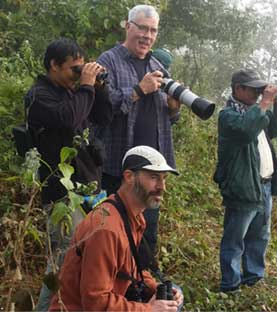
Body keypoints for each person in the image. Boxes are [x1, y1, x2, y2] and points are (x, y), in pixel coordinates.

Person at [25, 38, 112, 311]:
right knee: (63, 261)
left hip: (88, 189)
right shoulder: (40, 95)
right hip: (62, 196)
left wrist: (98, 87)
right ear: (53, 65)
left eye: (81, 68)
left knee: (88, 257)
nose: (78, 74)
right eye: (74, 69)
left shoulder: (72, 92)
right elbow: (69, 120)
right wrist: (85, 85)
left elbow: (103, 117)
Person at [96, 4, 181, 263]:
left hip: (153, 168)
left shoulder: (158, 67)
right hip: (117, 166)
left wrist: (174, 108)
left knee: (147, 229)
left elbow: (168, 118)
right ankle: (112, 281)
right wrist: (138, 90)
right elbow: (101, 108)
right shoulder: (107, 61)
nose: (147, 35)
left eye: (153, 30)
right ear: (128, 26)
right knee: (112, 228)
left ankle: (144, 280)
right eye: (142, 28)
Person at [51, 145, 184, 311]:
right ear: (129, 176)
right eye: (153, 177)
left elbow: (128, 269)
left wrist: (154, 287)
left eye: (164, 178)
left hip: (113, 298)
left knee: (175, 293)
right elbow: (95, 303)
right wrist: (149, 309)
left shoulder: (131, 215)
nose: (161, 187)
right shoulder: (106, 229)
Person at [213, 69, 277, 292]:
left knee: (260, 236)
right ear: (238, 89)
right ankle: (231, 286)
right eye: (254, 89)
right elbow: (246, 130)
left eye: (261, 89)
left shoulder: (257, 113)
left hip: (265, 186)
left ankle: (253, 280)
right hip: (243, 186)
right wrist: (265, 101)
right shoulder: (229, 116)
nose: (259, 93)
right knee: (235, 239)